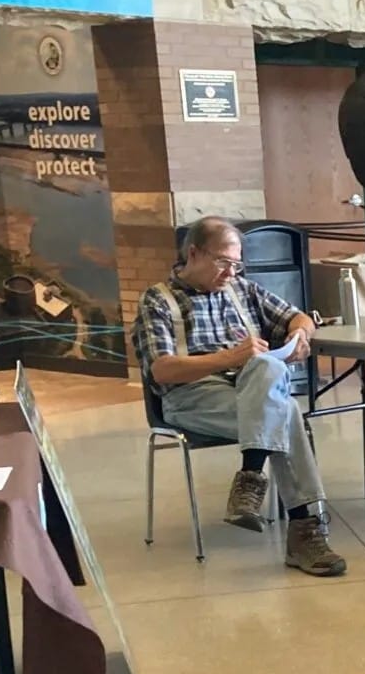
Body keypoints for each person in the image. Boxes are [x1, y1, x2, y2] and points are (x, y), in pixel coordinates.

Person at [135, 217, 345, 577]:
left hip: (249, 390)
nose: (231, 273)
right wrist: (231, 356)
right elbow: (162, 371)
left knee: (268, 372)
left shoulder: (242, 289)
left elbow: (299, 317)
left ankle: (250, 478)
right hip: (192, 397)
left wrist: (299, 337)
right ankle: (305, 530)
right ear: (193, 253)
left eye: (237, 265)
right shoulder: (158, 300)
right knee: (284, 408)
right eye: (223, 262)